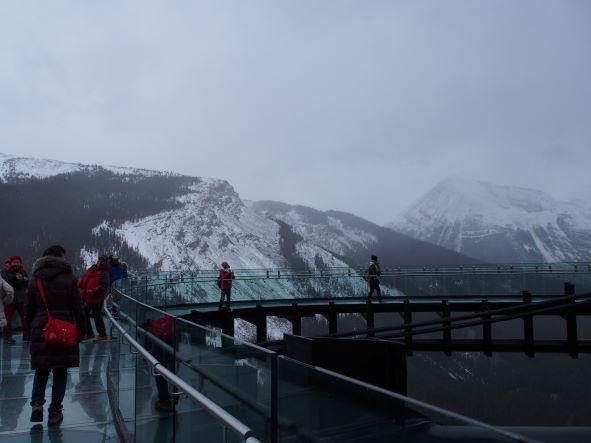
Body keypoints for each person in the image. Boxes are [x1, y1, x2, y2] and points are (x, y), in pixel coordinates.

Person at [26, 245, 85, 426]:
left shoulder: (35, 280)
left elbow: (28, 310)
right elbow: (78, 307)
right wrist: (82, 330)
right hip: (63, 330)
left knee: (41, 369)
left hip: (40, 330)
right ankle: (55, 412)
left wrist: (29, 332)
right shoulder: (69, 278)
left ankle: (37, 405)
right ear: (61, 258)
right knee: (60, 371)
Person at [78, 256, 110, 340]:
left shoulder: (105, 272)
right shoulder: (92, 269)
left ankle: (102, 335)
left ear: (105, 263)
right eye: (99, 260)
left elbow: (104, 286)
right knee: (84, 314)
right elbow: (84, 278)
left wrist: (93, 291)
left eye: (102, 261)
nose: (99, 262)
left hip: (96, 298)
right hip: (87, 296)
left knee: (97, 316)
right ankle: (89, 333)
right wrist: (79, 284)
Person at [1, 256, 30, 343]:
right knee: (8, 319)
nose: (16, 264)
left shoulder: (23, 271)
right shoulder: (5, 271)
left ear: (20, 263)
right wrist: (16, 278)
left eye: (18, 262)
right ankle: (7, 337)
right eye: (15, 262)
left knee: (25, 318)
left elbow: (26, 284)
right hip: (10, 299)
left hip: (21, 299)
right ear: (11, 263)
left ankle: (26, 336)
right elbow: (5, 282)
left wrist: (25, 280)